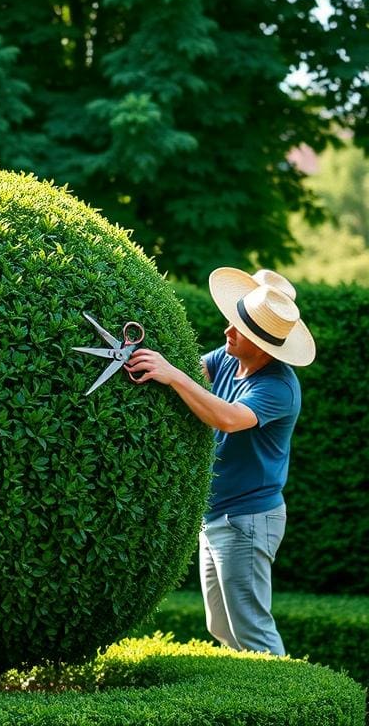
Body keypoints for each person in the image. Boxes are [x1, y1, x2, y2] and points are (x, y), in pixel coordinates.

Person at [127, 267, 316, 656]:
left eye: (237, 329)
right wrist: (149, 363)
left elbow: (228, 418)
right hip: (217, 515)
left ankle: (285, 705)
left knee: (251, 629)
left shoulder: (278, 387)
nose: (226, 332)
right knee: (221, 626)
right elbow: (191, 370)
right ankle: (252, 700)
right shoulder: (230, 358)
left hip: (248, 519)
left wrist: (173, 375)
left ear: (263, 346)